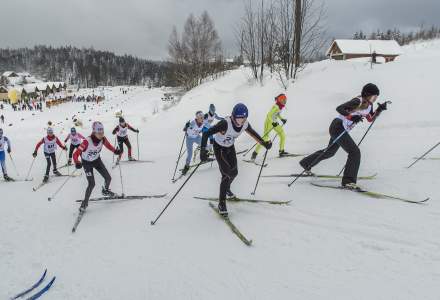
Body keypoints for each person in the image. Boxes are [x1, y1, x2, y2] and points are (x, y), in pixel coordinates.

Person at [299, 83, 387, 189]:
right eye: (373, 97)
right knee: (355, 152)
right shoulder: (357, 101)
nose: (374, 99)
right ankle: (348, 181)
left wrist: (379, 110)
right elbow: (339, 108)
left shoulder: (369, 106)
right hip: (337, 126)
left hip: (341, 129)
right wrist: (351, 117)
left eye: (376, 97)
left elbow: (370, 119)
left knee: (330, 152)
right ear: (366, 94)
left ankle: (306, 163)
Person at [200, 103, 272, 216]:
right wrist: (203, 151)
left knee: (234, 172)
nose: (242, 120)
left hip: (229, 147)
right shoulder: (224, 123)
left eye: (244, 118)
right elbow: (206, 134)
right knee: (226, 174)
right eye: (240, 118)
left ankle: (227, 188)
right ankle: (221, 203)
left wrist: (264, 144)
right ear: (234, 116)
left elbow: (253, 134)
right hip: (219, 148)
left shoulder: (244, 124)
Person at [73, 121, 122, 212]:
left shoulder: (103, 139)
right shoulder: (86, 142)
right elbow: (76, 154)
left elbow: (108, 146)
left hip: (96, 161)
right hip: (87, 163)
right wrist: (77, 162)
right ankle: (85, 203)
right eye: (99, 133)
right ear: (94, 132)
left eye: (102, 132)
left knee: (108, 178)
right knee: (92, 184)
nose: (101, 135)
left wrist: (115, 151)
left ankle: (105, 190)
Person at [252, 94, 289, 160]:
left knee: (282, 135)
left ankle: (281, 151)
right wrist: (273, 122)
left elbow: (277, 114)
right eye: (283, 100)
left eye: (285, 100)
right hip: (269, 122)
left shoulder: (280, 106)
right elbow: (269, 115)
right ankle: (254, 153)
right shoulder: (276, 106)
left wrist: (281, 119)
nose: (285, 102)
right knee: (265, 139)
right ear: (280, 100)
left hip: (274, 122)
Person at [182, 111, 205, 175]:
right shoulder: (192, 123)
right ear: (197, 118)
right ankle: (186, 166)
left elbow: (207, 127)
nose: (202, 119)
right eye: (201, 118)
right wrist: (186, 126)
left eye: (203, 117)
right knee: (190, 154)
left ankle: (204, 155)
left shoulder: (204, 122)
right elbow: (184, 129)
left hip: (197, 137)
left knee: (205, 144)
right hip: (189, 139)